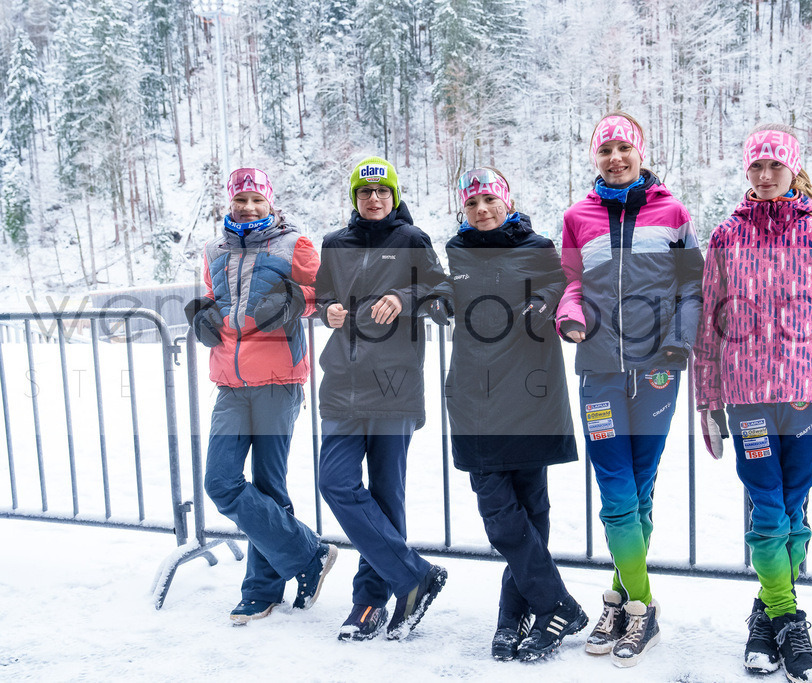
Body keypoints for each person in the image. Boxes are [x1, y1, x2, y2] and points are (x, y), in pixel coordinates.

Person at [692, 124, 812, 682]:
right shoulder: (724, 235)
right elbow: (709, 324)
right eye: (756, 167)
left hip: (807, 393)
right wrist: (706, 400)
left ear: (794, 169)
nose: (765, 176)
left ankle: (763, 618)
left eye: (775, 166)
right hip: (746, 397)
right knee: (767, 507)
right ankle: (792, 624)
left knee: (796, 509)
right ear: (746, 172)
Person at [555, 112, 704, 667]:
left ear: (640, 152)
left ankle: (619, 600)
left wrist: (679, 342)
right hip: (599, 368)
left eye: (624, 148)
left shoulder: (673, 212)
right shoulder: (577, 217)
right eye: (605, 150)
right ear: (594, 157)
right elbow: (569, 283)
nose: (615, 158)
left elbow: (693, 282)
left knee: (640, 491)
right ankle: (643, 607)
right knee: (618, 492)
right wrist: (569, 318)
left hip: (659, 369)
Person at [427, 168, 586, 662]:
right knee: (498, 512)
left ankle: (513, 616)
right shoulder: (456, 252)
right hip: (476, 395)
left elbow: (565, 285)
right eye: (472, 204)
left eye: (490, 200)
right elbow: (440, 289)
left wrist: (544, 300)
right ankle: (557, 602)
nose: (482, 210)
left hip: (529, 393)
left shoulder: (538, 247)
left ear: (508, 201)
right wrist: (435, 298)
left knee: (532, 510)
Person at [185, 167, 337, 624]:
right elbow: (215, 297)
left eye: (256, 199)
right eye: (240, 200)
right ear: (229, 204)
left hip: (278, 380)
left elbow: (325, 292)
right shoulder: (213, 249)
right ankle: (309, 552)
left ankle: (260, 590)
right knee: (221, 481)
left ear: (270, 202)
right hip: (229, 383)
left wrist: (296, 300)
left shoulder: (295, 245)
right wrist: (203, 313)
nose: (248, 207)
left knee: (270, 486)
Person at [315, 156, 447, 642]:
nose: (374, 199)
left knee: (387, 494)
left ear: (394, 196)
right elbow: (322, 294)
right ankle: (414, 575)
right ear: (354, 197)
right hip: (343, 383)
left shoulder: (412, 240)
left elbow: (443, 291)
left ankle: (368, 602)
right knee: (335, 481)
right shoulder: (335, 243)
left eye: (382, 192)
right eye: (365, 192)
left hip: (395, 384)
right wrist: (326, 309)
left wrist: (406, 297)